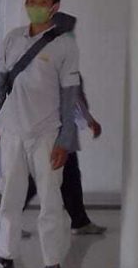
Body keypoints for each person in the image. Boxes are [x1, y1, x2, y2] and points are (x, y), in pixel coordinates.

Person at [0, 0, 80, 268]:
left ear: (55, 7)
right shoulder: (12, 39)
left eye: (42, 1)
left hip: (47, 132)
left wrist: (65, 140)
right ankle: (4, 258)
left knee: (50, 199)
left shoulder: (64, 44)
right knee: (10, 195)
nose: (35, 5)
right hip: (11, 130)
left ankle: (52, 265)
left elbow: (69, 95)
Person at [23, 77, 106, 236]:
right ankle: (8, 220)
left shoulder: (56, 69)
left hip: (54, 134)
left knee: (68, 178)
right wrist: (90, 121)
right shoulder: (64, 70)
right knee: (47, 179)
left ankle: (80, 221)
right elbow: (72, 100)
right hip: (58, 136)